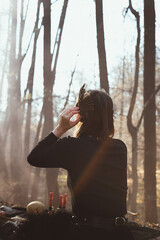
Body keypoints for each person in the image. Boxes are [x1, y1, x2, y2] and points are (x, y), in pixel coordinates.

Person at [27, 84, 134, 240]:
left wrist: (60, 129)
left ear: (81, 116)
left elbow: (34, 157)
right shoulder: (120, 148)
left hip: (87, 234)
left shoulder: (72, 147)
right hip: (121, 234)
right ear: (109, 117)